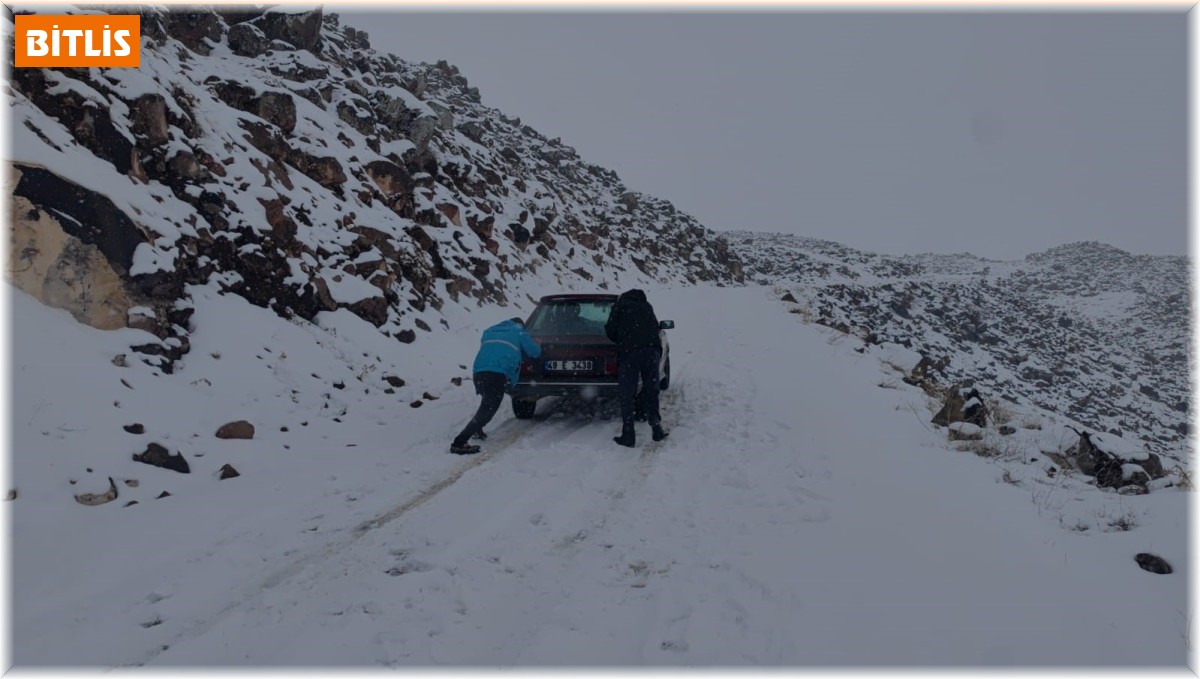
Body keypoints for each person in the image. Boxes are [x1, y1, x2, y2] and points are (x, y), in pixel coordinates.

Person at [450, 317, 541, 455]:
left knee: (486, 403)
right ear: (520, 325)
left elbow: (494, 350)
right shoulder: (519, 331)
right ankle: (459, 443)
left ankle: (476, 429)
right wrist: (537, 343)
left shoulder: (489, 331)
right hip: (497, 373)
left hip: (479, 371)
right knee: (489, 408)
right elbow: (535, 352)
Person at [604, 289, 668, 447]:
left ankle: (628, 435)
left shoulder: (619, 306)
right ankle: (656, 428)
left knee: (627, 393)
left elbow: (611, 330)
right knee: (651, 388)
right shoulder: (647, 306)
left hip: (629, 352)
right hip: (651, 351)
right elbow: (654, 327)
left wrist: (622, 339)